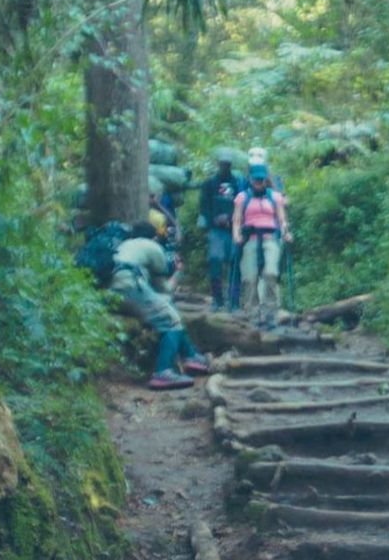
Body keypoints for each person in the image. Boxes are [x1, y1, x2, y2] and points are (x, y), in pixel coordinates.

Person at [108, 220, 212, 390]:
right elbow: (165, 289)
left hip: (112, 291)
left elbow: (158, 295)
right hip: (130, 286)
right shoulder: (152, 247)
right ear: (155, 237)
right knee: (171, 320)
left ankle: (191, 356)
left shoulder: (124, 245)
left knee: (166, 309)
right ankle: (163, 371)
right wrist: (178, 272)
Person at [232, 159, 292, 328]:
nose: (259, 182)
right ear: (250, 179)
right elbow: (236, 220)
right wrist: (236, 235)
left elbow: (282, 220)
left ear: (266, 179)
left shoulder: (276, 197)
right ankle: (252, 314)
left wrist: (286, 233)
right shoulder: (242, 197)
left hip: (270, 239)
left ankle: (270, 312)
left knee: (271, 274)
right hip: (250, 240)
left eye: (261, 179)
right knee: (250, 278)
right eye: (256, 179)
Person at [198, 150, 245, 310]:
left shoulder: (238, 184)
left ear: (231, 165)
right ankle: (217, 300)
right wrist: (214, 219)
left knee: (235, 264)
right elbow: (204, 207)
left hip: (234, 229)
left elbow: (242, 204)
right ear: (219, 164)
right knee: (215, 262)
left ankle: (234, 301)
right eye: (223, 163)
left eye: (228, 164)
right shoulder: (209, 184)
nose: (225, 166)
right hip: (216, 230)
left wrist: (231, 217)